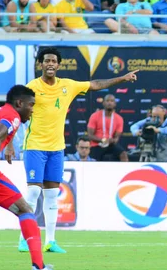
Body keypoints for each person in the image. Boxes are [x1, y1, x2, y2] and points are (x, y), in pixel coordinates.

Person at [18, 48, 138, 254]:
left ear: (58, 65)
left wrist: (123, 78)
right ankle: (24, 239)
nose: (50, 64)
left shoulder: (68, 85)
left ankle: (50, 241)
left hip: (56, 148)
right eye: (46, 60)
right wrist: (10, 142)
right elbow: (17, 113)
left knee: (52, 195)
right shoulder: (31, 88)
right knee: (33, 192)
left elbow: (96, 84)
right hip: (35, 146)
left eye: (54, 61)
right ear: (40, 64)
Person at [0, 85, 65, 270]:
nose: (33, 109)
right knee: (25, 209)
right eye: (31, 105)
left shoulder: (4, 111)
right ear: (20, 103)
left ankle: (39, 265)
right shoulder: (13, 116)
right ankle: (38, 267)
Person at [87, 94, 128, 162]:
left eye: (112, 101)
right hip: (96, 144)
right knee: (95, 159)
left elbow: (116, 138)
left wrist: (111, 140)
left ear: (115, 104)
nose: (109, 103)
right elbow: (90, 135)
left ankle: (125, 172)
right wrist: (102, 140)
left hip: (110, 144)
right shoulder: (94, 116)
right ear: (103, 103)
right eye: (107, 101)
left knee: (123, 154)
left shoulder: (119, 119)